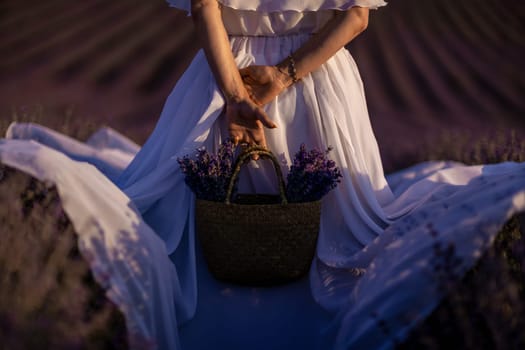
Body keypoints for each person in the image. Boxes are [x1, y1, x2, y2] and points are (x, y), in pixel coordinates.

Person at [1, 1, 524, 349]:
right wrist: (285, 76)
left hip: (226, 71)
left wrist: (235, 97)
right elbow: (357, 15)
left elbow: (205, 5)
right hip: (318, 83)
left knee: (179, 207)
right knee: (343, 226)